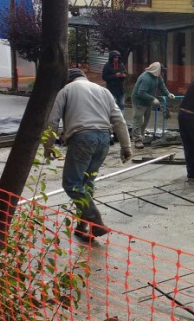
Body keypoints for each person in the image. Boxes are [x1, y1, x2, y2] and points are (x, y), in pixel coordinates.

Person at [46, 69, 133, 242]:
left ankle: (95, 221)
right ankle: (83, 225)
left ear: (69, 79)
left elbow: (53, 120)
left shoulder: (66, 90)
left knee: (71, 184)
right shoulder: (103, 91)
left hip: (83, 137)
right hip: (104, 139)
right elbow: (118, 119)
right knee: (87, 182)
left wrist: (48, 146)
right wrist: (126, 146)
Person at [131, 62, 175, 149]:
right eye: (161, 71)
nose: (162, 73)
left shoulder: (157, 77)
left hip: (147, 102)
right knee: (138, 120)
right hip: (139, 102)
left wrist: (168, 93)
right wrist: (152, 99)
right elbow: (141, 92)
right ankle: (137, 140)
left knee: (145, 120)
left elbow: (162, 86)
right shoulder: (146, 78)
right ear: (156, 70)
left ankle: (141, 136)